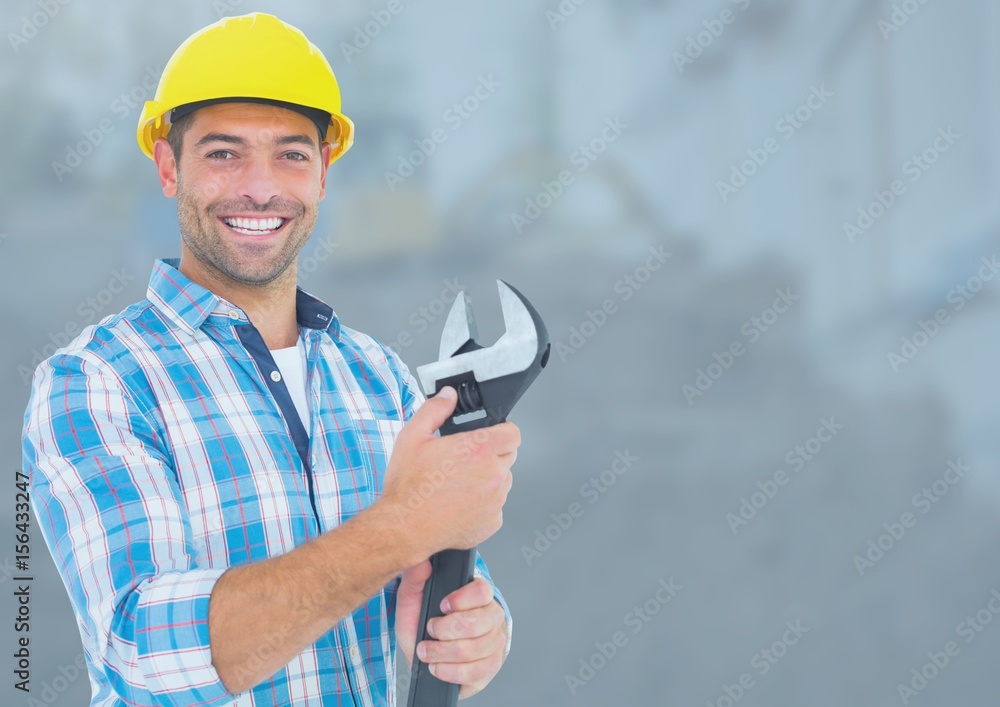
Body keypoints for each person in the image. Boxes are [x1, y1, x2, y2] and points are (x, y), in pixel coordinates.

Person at [22, 13, 517, 707]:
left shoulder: (376, 373)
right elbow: (145, 652)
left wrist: (479, 635)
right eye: (224, 154)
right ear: (168, 167)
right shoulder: (98, 381)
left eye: (291, 154)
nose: (261, 187)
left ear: (323, 174)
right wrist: (403, 523)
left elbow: (451, 581)